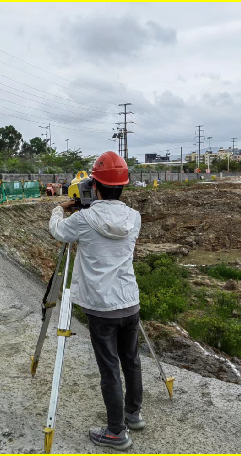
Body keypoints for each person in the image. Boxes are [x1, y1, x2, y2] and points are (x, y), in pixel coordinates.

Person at [49, 151, 142, 451]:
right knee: (131, 361)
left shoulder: (84, 220)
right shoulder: (134, 218)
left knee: (109, 369)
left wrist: (59, 209)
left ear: (96, 186)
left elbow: (58, 233)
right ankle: (133, 415)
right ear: (123, 186)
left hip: (102, 308)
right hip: (129, 302)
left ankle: (116, 432)